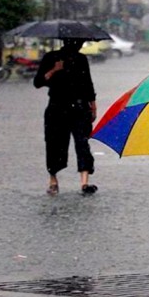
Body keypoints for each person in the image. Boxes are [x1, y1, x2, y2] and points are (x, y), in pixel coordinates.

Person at [33, 38, 98, 196]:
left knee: (82, 143)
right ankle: (53, 180)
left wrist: (92, 105)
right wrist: (55, 70)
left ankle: (84, 182)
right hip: (57, 107)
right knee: (55, 143)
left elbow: (87, 84)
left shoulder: (81, 59)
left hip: (79, 107)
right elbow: (38, 82)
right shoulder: (51, 58)